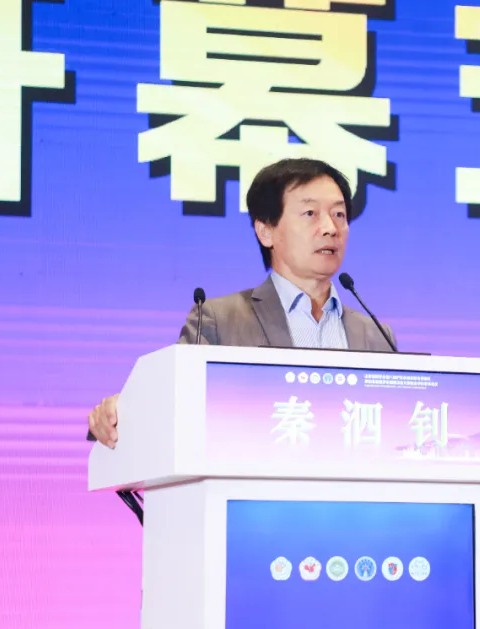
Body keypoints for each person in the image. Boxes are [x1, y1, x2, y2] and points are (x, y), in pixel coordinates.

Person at [87, 158, 397, 448]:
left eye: (339, 214)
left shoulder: (375, 335)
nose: (330, 228)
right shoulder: (219, 320)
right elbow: (169, 402)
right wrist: (120, 412)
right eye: (310, 214)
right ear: (266, 231)